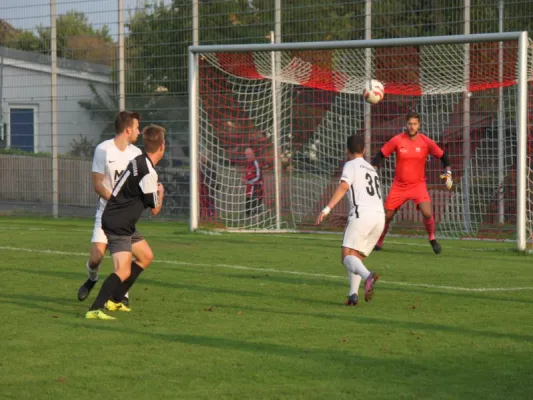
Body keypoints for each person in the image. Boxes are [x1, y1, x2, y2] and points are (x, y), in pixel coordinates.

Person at [85, 125, 166, 320]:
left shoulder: (138, 160)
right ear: (162, 147)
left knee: (146, 256)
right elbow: (154, 209)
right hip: (118, 223)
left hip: (120, 219)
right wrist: (161, 193)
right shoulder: (149, 172)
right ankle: (95, 308)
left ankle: (116, 299)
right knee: (123, 270)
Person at [77, 111, 153, 306]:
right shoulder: (103, 150)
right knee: (96, 258)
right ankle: (92, 279)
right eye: (136, 128)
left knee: (129, 255)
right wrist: (117, 203)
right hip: (106, 213)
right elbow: (98, 185)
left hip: (124, 217)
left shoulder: (136, 154)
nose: (138, 131)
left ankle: (122, 294)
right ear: (127, 130)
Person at [371, 112, 453, 254]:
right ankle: (379, 241)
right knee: (387, 216)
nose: (412, 127)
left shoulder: (425, 141)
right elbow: (380, 154)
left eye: (415, 124)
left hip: (418, 186)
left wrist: (448, 174)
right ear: (406, 124)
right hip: (399, 186)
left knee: (427, 213)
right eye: (409, 124)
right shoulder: (397, 140)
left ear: (419, 125)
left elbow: (444, 157)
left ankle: (432, 239)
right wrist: (373, 169)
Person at [315, 134, 382, 305]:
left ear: (347, 151)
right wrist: (348, 217)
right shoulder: (371, 169)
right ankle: (353, 295)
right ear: (364, 150)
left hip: (363, 215)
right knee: (356, 257)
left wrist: (327, 208)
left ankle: (368, 277)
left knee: (346, 256)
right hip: (379, 217)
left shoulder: (351, 164)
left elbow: (344, 186)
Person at [241, 147, 263, 217]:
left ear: (253, 154)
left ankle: (256, 217)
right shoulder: (247, 163)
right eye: (246, 154)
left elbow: (259, 177)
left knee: (255, 203)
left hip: (256, 187)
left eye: (249, 154)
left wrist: (249, 181)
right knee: (247, 203)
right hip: (249, 187)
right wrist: (244, 179)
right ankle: (248, 217)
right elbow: (248, 175)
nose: (247, 156)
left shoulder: (256, 163)